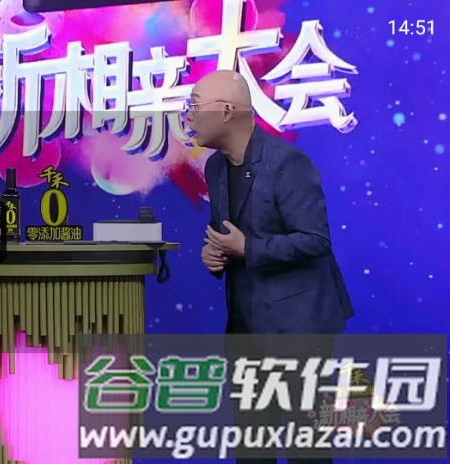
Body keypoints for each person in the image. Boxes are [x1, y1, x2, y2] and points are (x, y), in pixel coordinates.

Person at [187, 70, 354, 464]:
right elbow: (225, 234)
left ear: (225, 112)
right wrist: (214, 256)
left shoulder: (287, 163)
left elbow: (315, 240)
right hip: (245, 327)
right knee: (251, 444)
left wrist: (248, 248)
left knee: (306, 447)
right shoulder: (215, 168)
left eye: (194, 106)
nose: (188, 116)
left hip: (299, 325)